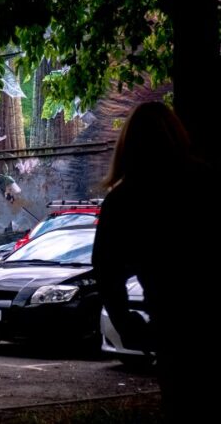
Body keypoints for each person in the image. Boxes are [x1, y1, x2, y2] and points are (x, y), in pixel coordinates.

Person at [92, 101, 212, 423]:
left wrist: (125, 321)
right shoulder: (205, 182)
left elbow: (106, 270)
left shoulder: (124, 200)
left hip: (170, 324)